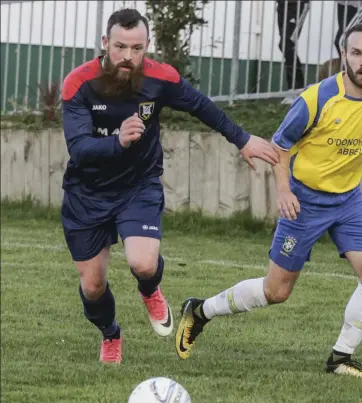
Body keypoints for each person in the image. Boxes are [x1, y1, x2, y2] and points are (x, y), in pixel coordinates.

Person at [174, 23, 362, 379]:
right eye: (356, 53)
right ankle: (199, 311)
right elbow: (280, 146)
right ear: (344, 57)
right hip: (304, 201)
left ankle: (341, 358)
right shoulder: (317, 98)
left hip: (349, 201)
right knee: (276, 291)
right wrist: (284, 191)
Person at [60, 8, 279, 364]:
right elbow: (79, 149)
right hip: (87, 193)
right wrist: (119, 141)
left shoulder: (160, 77)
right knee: (93, 285)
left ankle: (150, 289)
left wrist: (241, 139)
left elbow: (200, 106)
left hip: (138, 186)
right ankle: (111, 333)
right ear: (105, 44)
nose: (128, 56)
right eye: (119, 47)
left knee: (144, 264)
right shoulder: (79, 83)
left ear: (146, 46)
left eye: (136, 48)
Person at [318, 1, 362, 81]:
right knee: (346, 41)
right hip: (342, 3)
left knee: (341, 41)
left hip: (357, 5)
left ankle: (352, 75)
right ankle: (347, 76)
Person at [276, 0, 309, 104]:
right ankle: (295, 89)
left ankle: (297, 89)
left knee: (287, 44)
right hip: (282, 5)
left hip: (297, 6)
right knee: (285, 45)